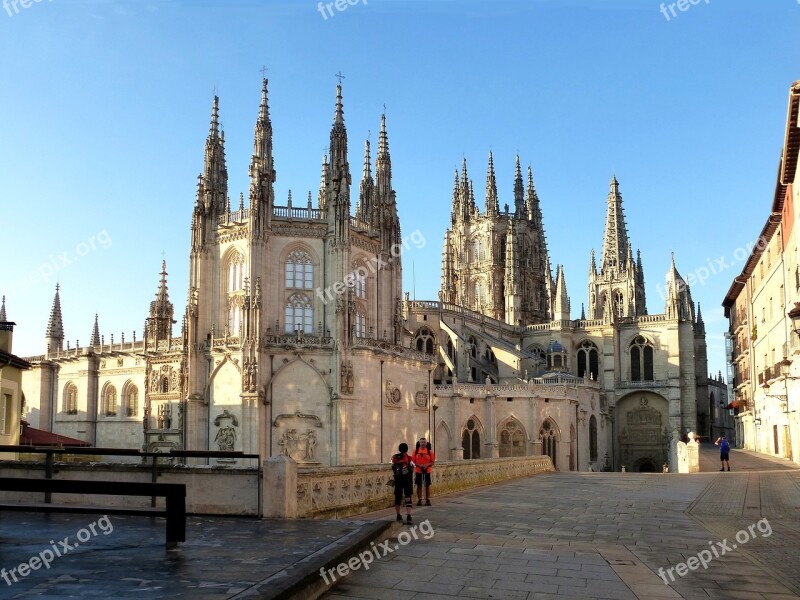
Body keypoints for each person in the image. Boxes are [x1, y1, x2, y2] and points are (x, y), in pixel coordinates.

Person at [391, 443, 414, 524]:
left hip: (398, 480)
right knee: (408, 497)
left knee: (398, 497)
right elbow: (412, 468)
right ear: (407, 449)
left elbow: (393, 467)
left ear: (399, 449)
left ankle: (398, 515)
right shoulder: (409, 458)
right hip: (407, 480)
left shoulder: (395, 458)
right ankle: (409, 516)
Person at [412, 437, 435, 506]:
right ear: (419, 443)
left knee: (427, 485)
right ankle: (419, 499)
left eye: (424, 442)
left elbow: (432, 462)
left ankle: (427, 499)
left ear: (426, 443)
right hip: (418, 470)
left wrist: (426, 465)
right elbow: (413, 462)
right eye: (421, 442)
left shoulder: (430, 452)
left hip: (427, 470)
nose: (423, 443)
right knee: (419, 485)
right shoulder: (415, 451)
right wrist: (420, 465)